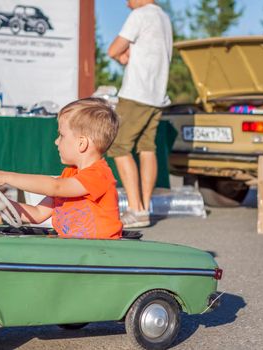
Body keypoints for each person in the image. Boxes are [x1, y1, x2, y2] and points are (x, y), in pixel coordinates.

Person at [0, 98, 123, 239]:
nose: (56, 142)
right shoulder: (69, 175)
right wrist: (4, 205)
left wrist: (6, 177)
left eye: (61, 135)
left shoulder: (99, 175)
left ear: (82, 143)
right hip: (77, 254)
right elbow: (37, 214)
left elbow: (55, 187)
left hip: (101, 255)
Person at [107, 0, 173, 228]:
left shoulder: (140, 14)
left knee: (118, 145)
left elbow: (113, 49)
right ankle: (144, 209)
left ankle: (135, 209)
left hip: (136, 94)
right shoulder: (163, 17)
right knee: (147, 147)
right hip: (157, 95)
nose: (126, 4)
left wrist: (120, 56)